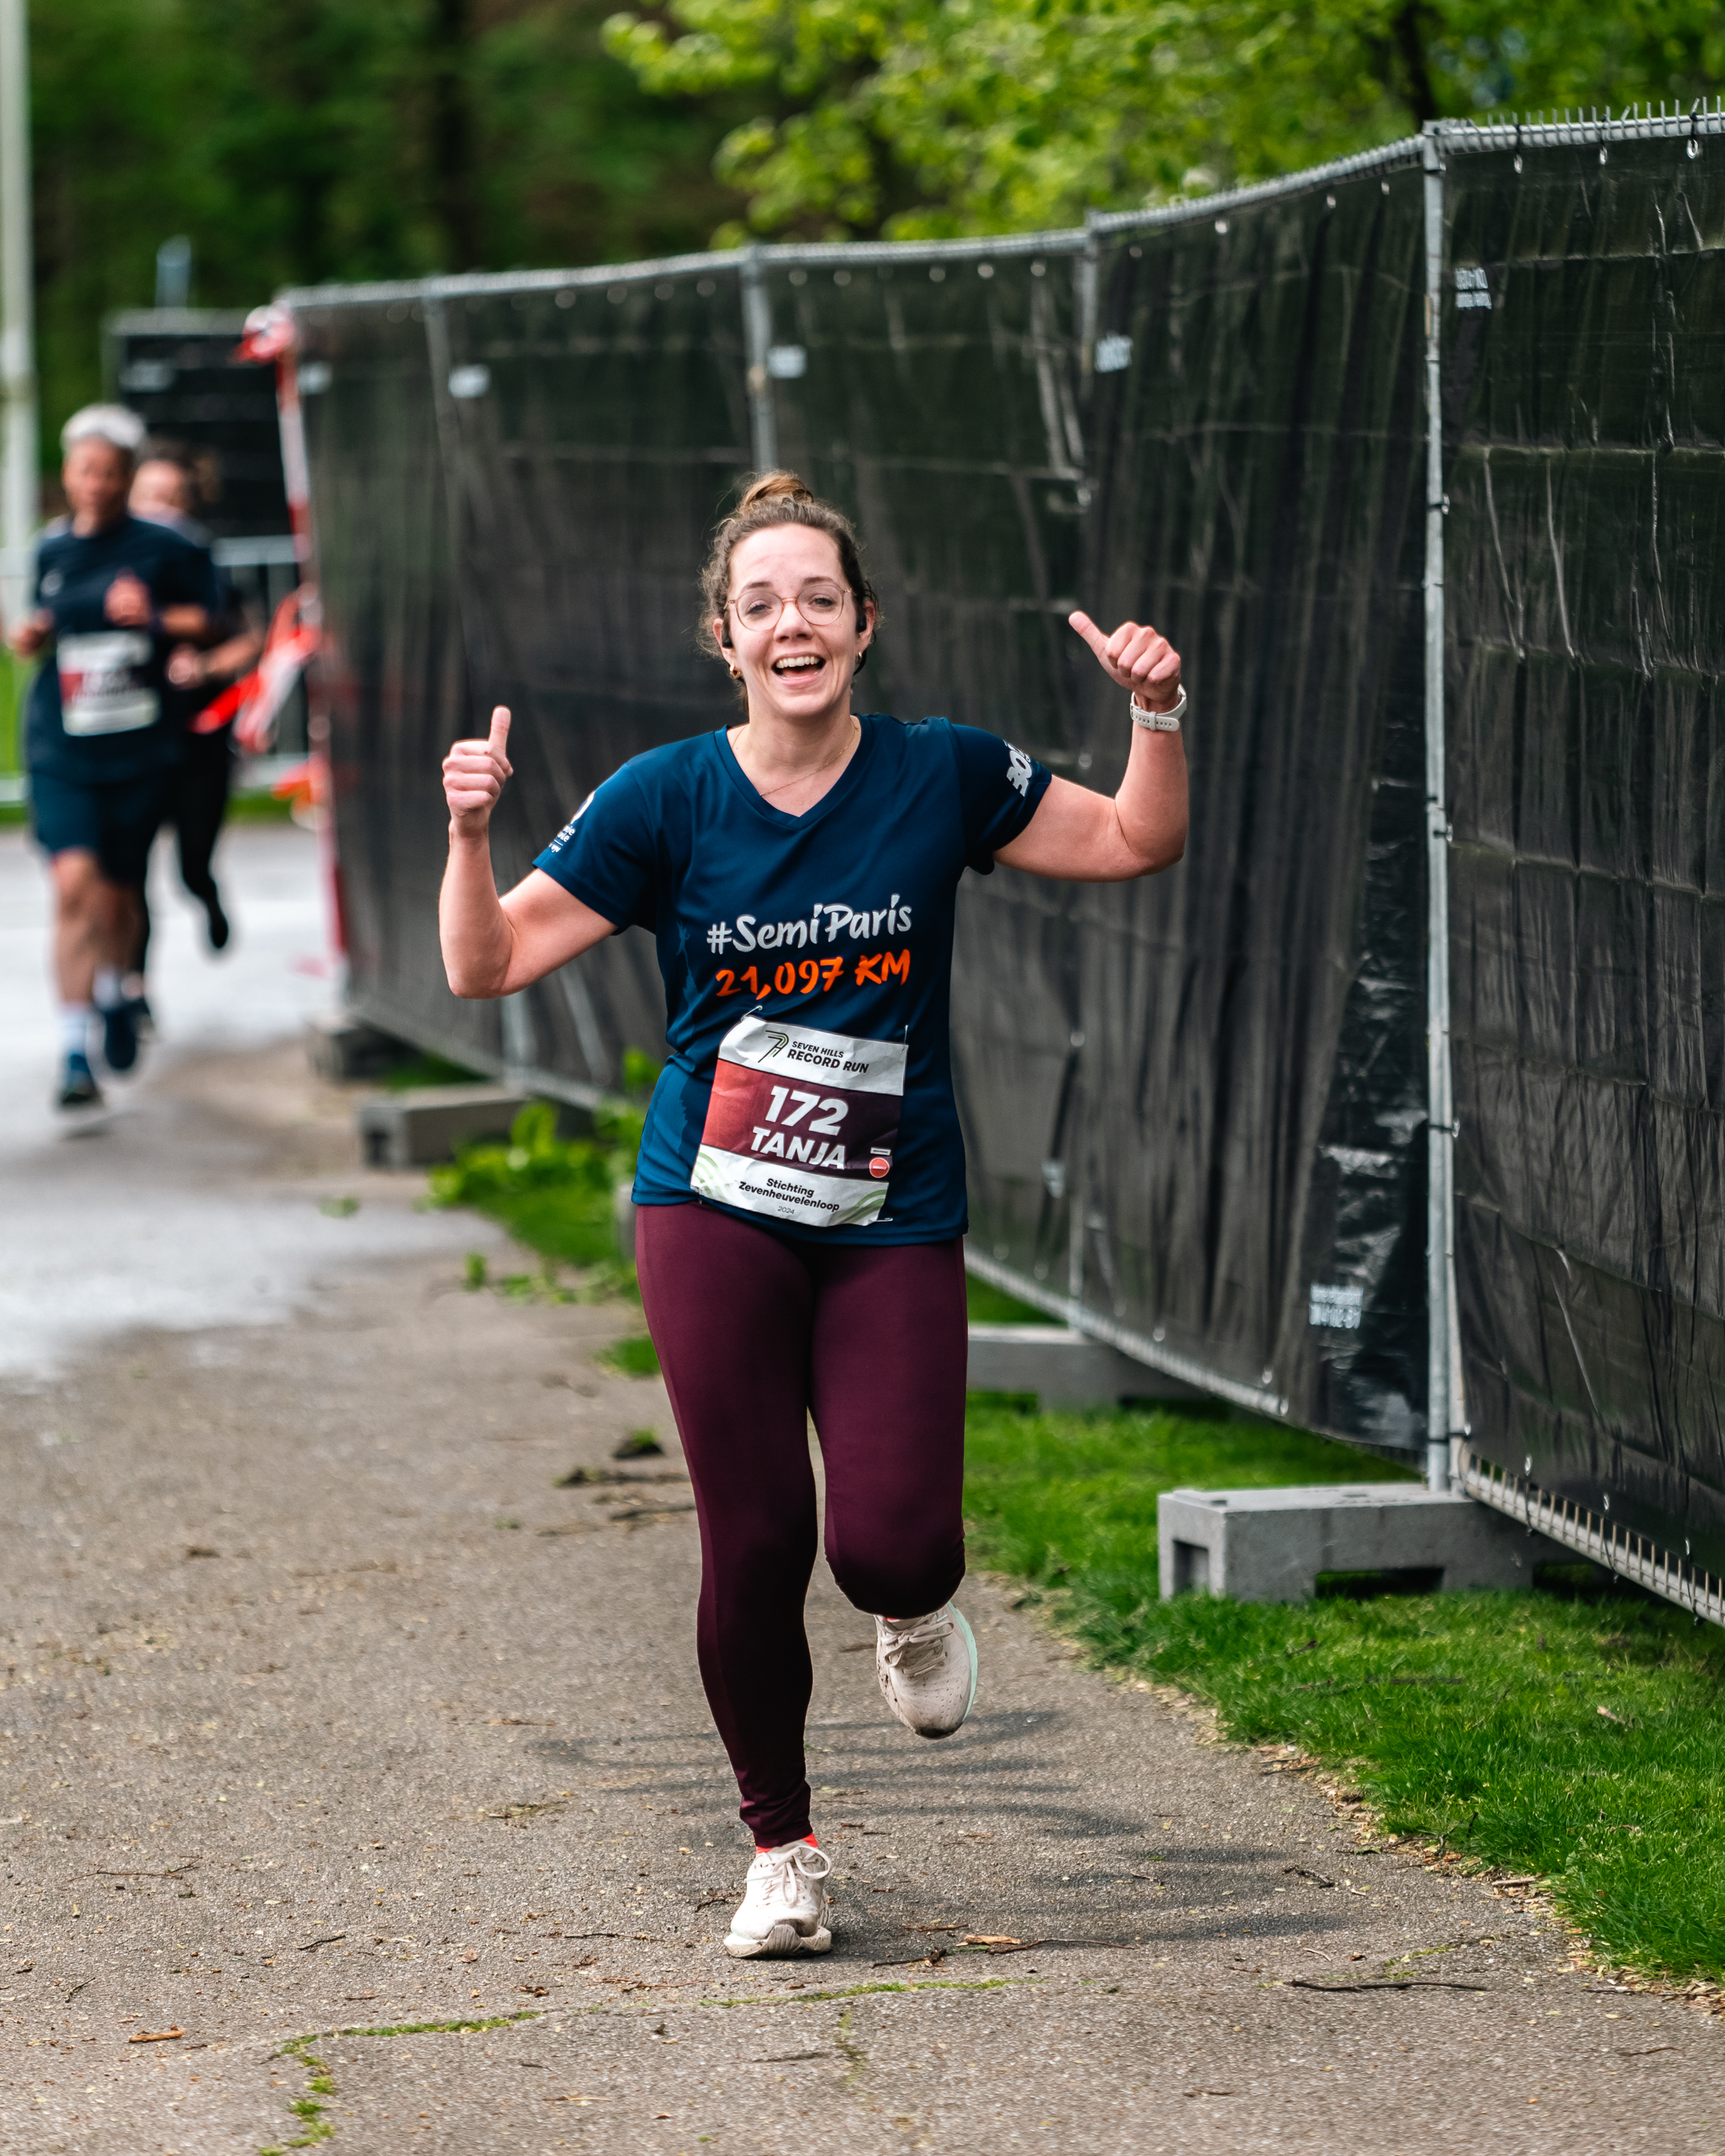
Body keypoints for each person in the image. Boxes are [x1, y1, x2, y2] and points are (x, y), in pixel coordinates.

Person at [438, 472, 1188, 1959]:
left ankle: (910, 1612)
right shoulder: (663, 797)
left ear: (863, 625)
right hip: (713, 1202)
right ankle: (781, 1851)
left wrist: (1155, 717)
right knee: (756, 1533)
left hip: (889, 1208)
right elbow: (486, 966)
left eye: (820, 600)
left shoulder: (940, 771)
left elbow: (1129, 842)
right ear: (725, 638)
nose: (794, 624)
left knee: (895, 1542)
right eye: (762, 604)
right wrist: (469, 836)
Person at [9, 406, 217, 1109]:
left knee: (120, 893)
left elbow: (214, 619)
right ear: (67, 474)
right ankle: (75, 1052)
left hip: (138, 750)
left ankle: (116, 987)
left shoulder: (168, 546)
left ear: (127, 477)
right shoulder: (51, 549)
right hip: (61, 747)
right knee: (74, 885)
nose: (95, 484)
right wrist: (34, 636)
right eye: (84, 471)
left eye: (108, 472)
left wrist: (153, 617)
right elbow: (47, 621)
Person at [129, 446, 265, 961]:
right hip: (134, 741)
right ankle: (132, 980)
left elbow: (250, 637)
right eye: (148, 497)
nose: (158, 510)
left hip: (197, 740)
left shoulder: (204, 566)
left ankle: (205, 894)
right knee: (128, 872)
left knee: (191, 864)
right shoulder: (113, 566)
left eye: (170, 499)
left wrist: (205, 667)